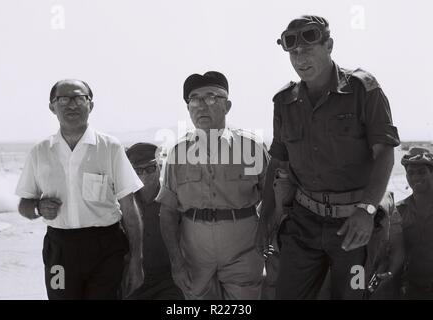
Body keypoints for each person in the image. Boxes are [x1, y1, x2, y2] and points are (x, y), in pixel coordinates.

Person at [259, 15, 400, 299]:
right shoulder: (284, 102)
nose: (301, 58)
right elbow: (278, 161)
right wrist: (265, 218)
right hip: (303, 223)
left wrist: (367, 210)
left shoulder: (363, 91)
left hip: (354, 226)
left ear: (329, 45)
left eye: (309, 49)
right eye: (294, 53)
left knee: (352, 295)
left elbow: (385, 153)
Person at [15, 79, 144, 299]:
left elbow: (130, 210)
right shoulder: (40, 152)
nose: (71, 105)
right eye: (63, 99)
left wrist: (136, 260)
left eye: (79, 98)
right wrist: (38, 207)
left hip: (106, 247)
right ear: (52, 106)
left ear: (90, 105)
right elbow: (24, 206)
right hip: (60, 249)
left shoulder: (110, 147)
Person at [157, 71, 268, 300]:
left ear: (227, 106)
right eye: (194, 99)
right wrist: (177, 262)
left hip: (244, 249)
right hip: (195, 253)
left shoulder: (250, 148)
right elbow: (167, 211)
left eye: (211, 97)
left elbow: (272, 199)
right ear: (188, 108)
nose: (201, 105)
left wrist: (265, 240)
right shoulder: (177, 153)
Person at [124, 142, 183, 300]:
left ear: (159, 167)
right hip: (134, 279)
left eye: (150, 168)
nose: (145, 175)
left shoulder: (173, 199)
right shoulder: (124, 203)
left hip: (169, 280)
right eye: (138, 170)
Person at [397, 147, 433, 299]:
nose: (415, 177)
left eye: (422, 172)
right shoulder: (399, 211)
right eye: (410, 173)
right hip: (412, 290)